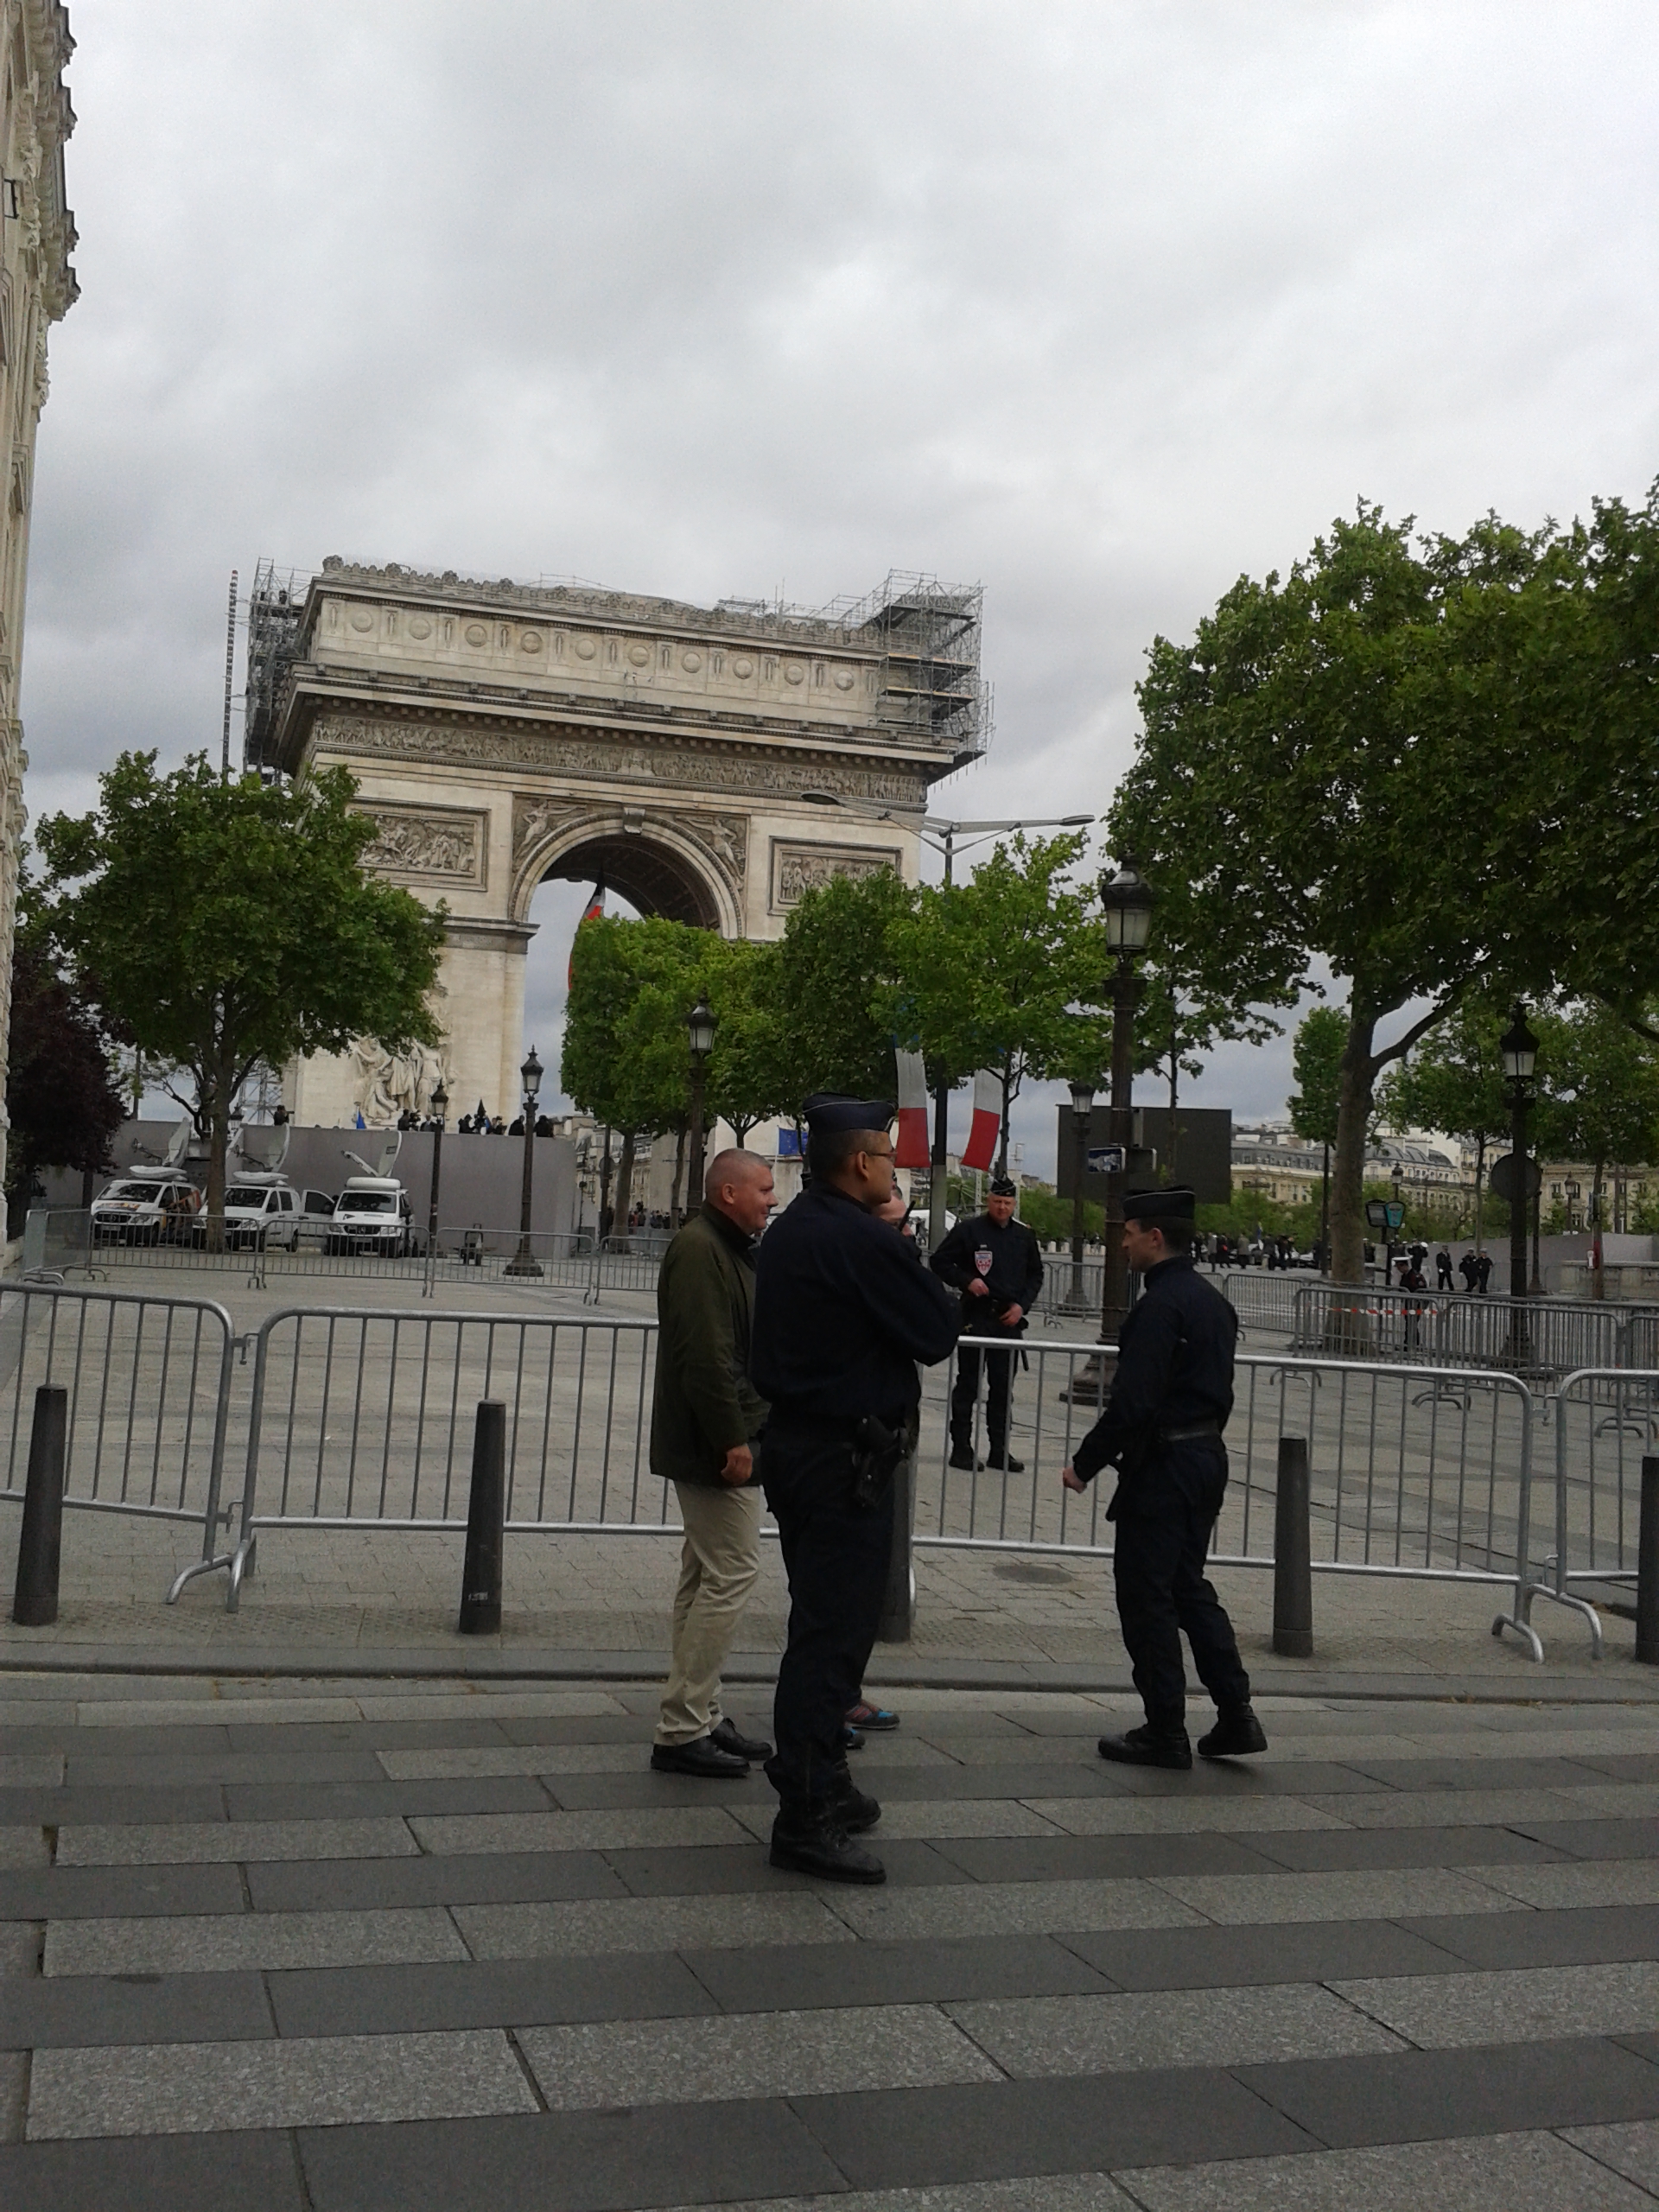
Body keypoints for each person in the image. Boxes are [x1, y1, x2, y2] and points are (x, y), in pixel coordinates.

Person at [751, 1096, 957, 1881]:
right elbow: (936, 1334)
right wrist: (903, 1252)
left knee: (821, 1624)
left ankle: (824, 1779)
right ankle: (804, 1811)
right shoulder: (861, 1239)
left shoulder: (792, 1232)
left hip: (804, 1453)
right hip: (845, 1463)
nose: (896, 1168)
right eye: (888, 1155)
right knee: (832, 1643)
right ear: (860, 1163)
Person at [1060, 1185, 1266, 1770]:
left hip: (1165, 1467)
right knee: (1188, 1588)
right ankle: (1236, 1713)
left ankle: (1164, 1729)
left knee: (1147, 1597)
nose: (1121, 1243)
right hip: (1205, 1457)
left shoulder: (1158, 1307)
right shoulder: (1211, 1302)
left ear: (1155, 1237)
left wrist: (1084, 1463)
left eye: (1128, 1233)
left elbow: (1134, 1403)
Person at [648, 1148, 778, 1779]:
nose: (772, 1199)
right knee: (733, 1571)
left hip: (709, 1435)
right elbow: (707, 1354)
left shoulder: (717, 1245)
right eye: (763, 1188)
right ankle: (681, 1724)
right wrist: (733, 1438)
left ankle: (698, 1714)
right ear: (728, 1193)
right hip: (712, 1442)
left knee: (703, 1575)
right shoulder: (703, 1251)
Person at [930, 1175, 1044, 1471]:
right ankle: (962, 1449)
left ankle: (999, 1450)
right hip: (977, 1318)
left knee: (1003, 1389)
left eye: (1007, 1203)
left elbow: (1035, 1275)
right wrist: (967, 1281)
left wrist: (1022, 1306)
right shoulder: (969, 1231)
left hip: (1009, 1321)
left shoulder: (1023, 1236)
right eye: (997, 1202)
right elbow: (940, 1261)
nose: (1002, 1208)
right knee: (968, 1386)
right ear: (989, 1201)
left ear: (1014, 1204)